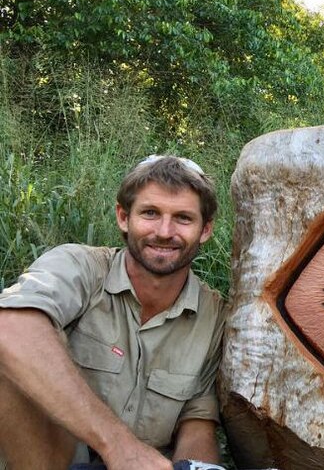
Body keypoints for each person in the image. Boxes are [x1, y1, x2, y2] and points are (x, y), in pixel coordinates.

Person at [0, 156, 225, 469]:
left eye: (183, 218)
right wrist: (118, 445)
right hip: (52, 461)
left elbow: (197, 424)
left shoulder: (213, 314)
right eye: (150, 213)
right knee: (15, 353)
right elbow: (8, 326)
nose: (164, 231)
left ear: (205, 230)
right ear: (123, 217)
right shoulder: (80, 267)